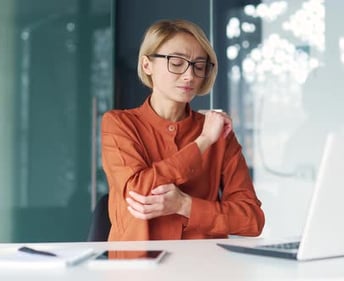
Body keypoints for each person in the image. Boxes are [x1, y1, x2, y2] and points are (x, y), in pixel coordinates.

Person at [101, 19, 265, 242]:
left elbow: (252, 220)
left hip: (204, 267)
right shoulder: (119, 124)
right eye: (176, 62)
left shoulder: (221, 134)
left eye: (198, 66)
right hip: (138, 268)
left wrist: (185, 206)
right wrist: (204, 141)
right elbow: (140, 192)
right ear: (147, 64)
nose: (190, 76)